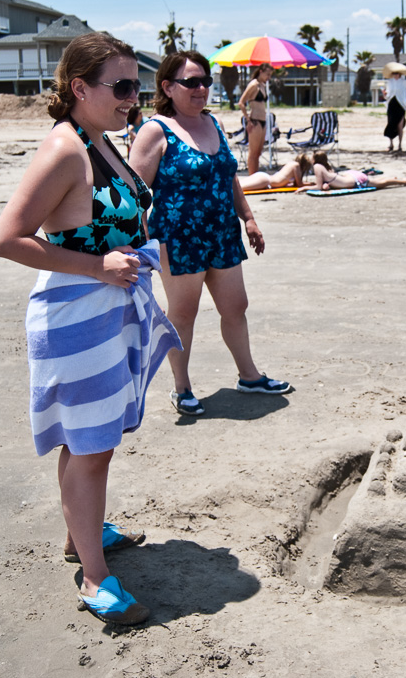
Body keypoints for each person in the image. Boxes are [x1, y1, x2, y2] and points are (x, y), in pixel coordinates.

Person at [0, 32, 181, 626]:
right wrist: (99, 265)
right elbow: (8, 240)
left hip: (106, 312)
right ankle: (95, 577)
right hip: (76, 315)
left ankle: (83, 535)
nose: (133, 98)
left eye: (137, 86)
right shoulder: (64, 151)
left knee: (84, 440)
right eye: (121, 87)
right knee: (93, 448)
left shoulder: (100, 141)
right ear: (80, 88)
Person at [130, 51, 292, 417]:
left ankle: (249, 376)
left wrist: (248, 218)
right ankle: (182, 388)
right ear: (168, 87)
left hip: (222, 233)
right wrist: (141, 246)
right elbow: (134, 194)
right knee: (183, 314)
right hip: (179, 238)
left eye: (206, 81)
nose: (201, 88)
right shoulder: (155, 130)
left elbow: (228, 176)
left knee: (236, 306)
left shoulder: (212, 122)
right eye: (192, 82)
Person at [301, 150, 406, 191]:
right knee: (376, 181)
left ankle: (404, 182)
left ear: (316, 159)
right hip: (350, 176)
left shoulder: (317, 167)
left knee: (381, 184)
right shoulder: (325, 167)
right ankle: (394, 179)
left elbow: (318, 187)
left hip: (353, 180)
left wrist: (304, 187)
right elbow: (325, 184)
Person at [237, 64, 273, 174]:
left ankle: (256, 176)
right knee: (253, 153)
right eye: (267, 74)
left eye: (270, 75)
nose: (269, 77)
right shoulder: (253, 84)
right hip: (255, 120)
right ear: (261, 71)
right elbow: (241, 103)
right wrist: (248, 120)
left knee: (258, 153)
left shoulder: (262, 85)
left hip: (263, 120)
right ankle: (252, 177)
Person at [382, 62, 406, 152]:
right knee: (391, 124)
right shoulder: (389, 82)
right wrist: (384, 94)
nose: (395, 75)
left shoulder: (404, 82)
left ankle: (400, 145)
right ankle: (391, 144)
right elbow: (387, 95)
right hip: (391, 104)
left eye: (397, 73)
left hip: (400, 105)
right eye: (394, 73)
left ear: (400, 74)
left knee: (399, 126)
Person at [238, 153, 312, 192]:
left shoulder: (291, 164)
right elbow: (299, 184)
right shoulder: (296, 166)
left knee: (237, 185)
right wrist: (311, 184)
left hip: (264, 177)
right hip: (266, 181)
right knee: (239, 188)